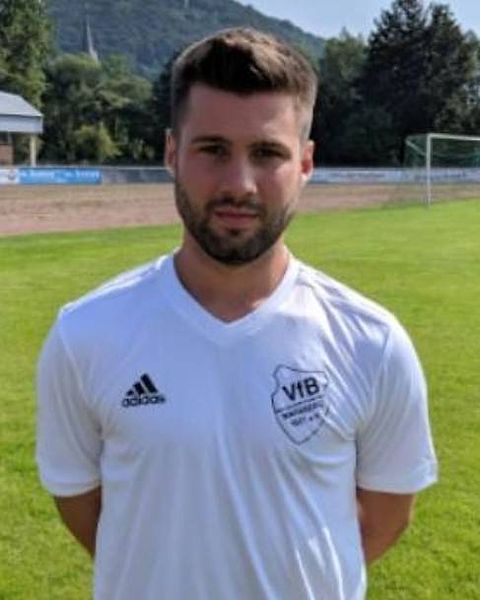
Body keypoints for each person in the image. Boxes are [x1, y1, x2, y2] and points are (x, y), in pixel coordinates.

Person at [36, 27, 437, 600]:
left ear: (305, 163)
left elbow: (386, 515)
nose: (239, 184)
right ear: (172, 153)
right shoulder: (87, 333)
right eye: (213, 149)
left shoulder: (372, 341)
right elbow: (82, 505)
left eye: (267, 153)